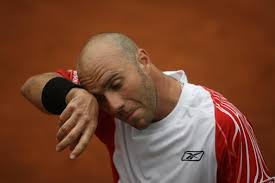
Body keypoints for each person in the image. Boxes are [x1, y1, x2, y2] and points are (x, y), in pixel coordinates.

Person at [21, 33, 274, 183]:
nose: (114, 105)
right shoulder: (105, 103)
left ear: (142, 61)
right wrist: (74, 94)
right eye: (99, 97)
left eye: (117, 84)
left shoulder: (221, 122)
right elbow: (31, 85)